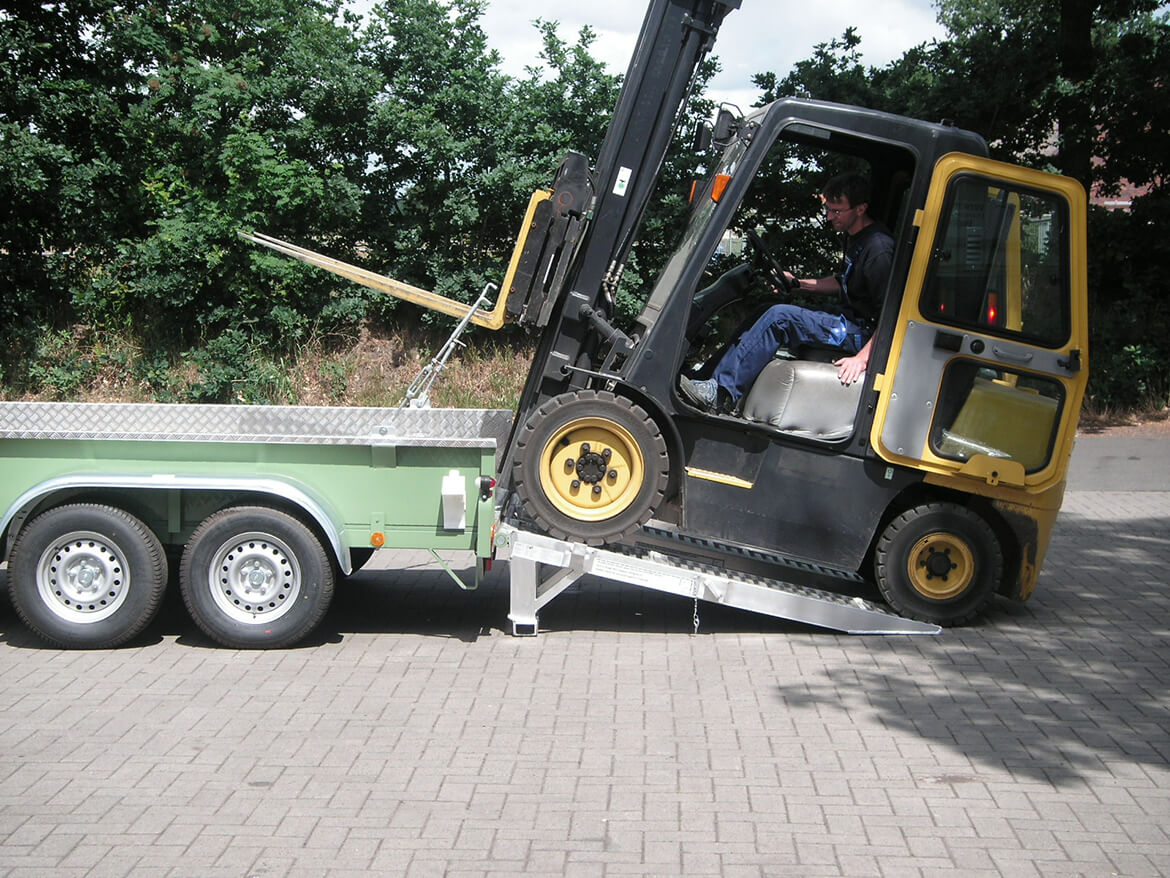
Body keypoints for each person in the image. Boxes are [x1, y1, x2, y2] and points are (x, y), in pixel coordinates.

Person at [680, 172, 894, 413]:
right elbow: (842, 282)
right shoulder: (856, 237)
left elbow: (891, 314)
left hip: (861, 332)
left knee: (780, 317)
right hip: (846, 319)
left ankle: (720, 393)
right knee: (766, 310)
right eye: (828, 209)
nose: (829, 217)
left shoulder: (878, 249)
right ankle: (706, 379)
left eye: (837, 211)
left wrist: (862, 358)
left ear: (860, 209)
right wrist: (797, 283)